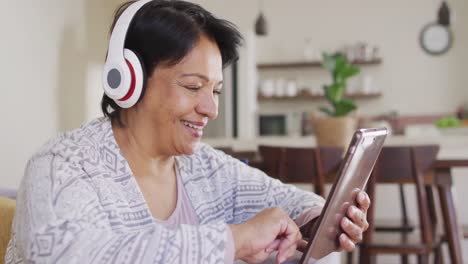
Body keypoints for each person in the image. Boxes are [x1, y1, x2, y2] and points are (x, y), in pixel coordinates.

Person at [5, 1, 370, 263]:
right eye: (194, 87)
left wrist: (320, 220)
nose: (210, 109)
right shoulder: (61, 167)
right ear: (127, 80)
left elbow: (288, 201)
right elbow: (65, 254)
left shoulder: (206, 168)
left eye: (215, 91)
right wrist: (231, 241)